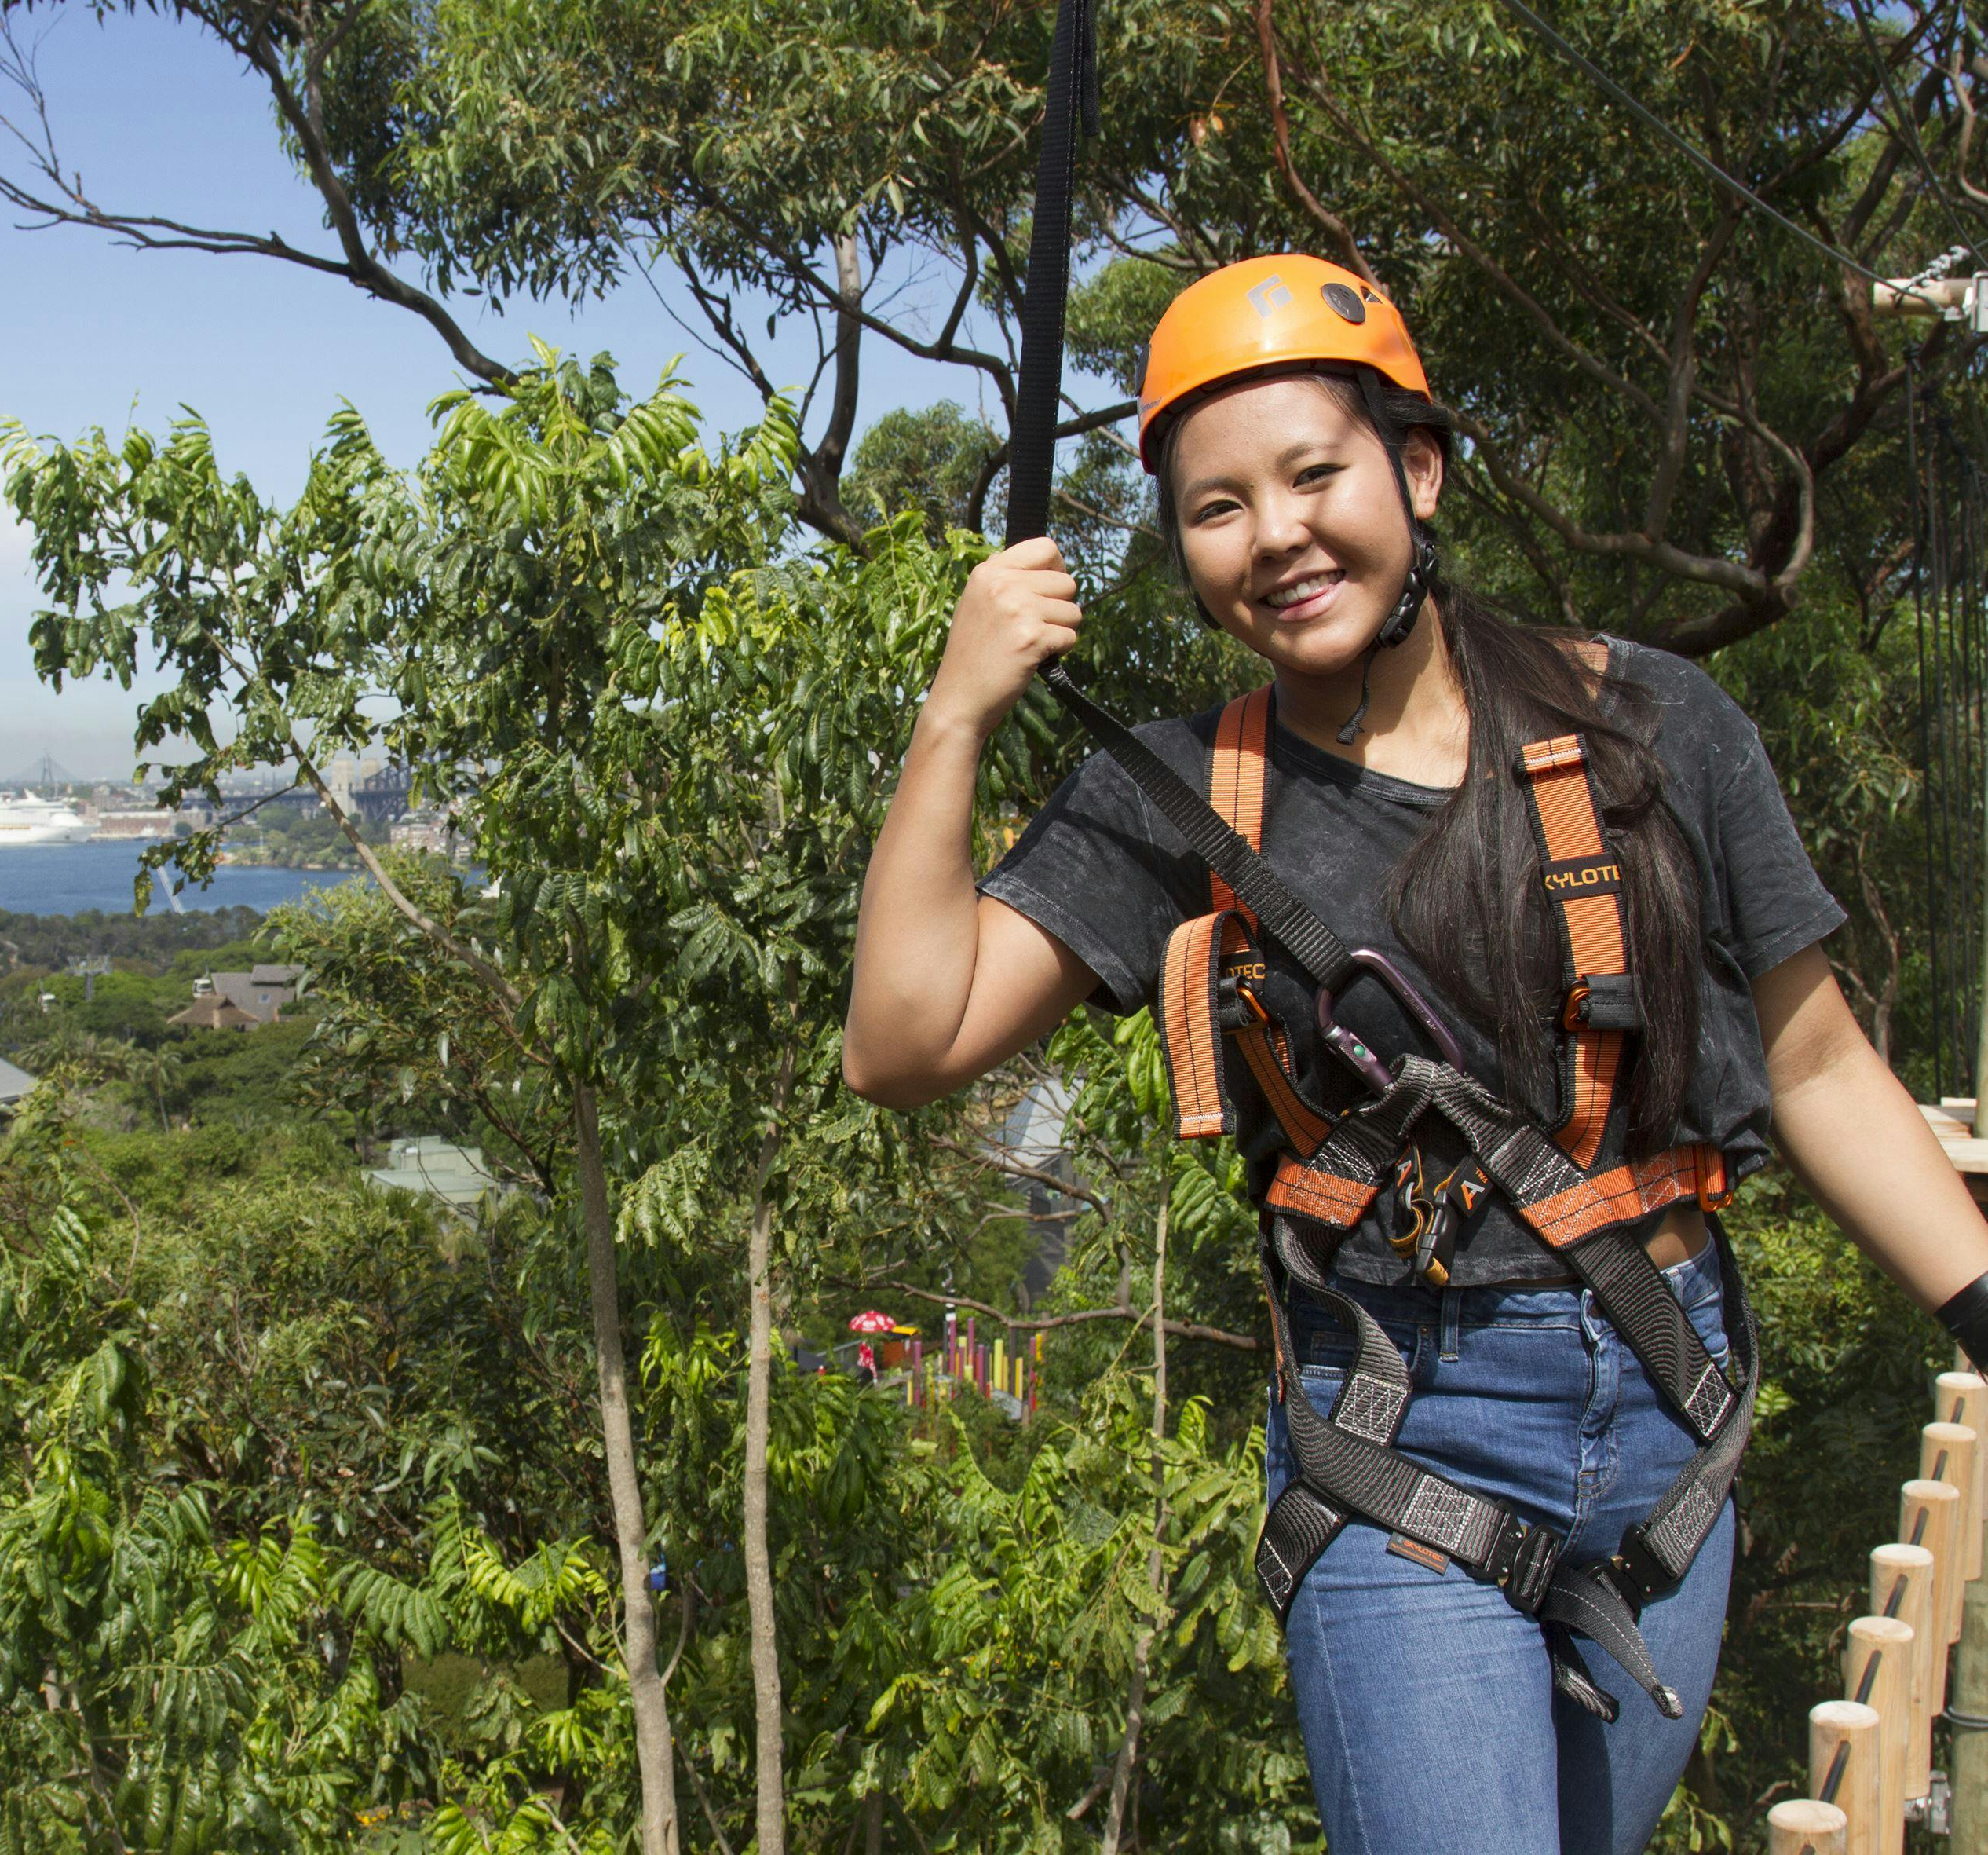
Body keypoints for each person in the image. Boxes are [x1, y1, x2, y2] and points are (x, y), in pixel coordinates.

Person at [842, 251, 1988, 1855]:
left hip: (1668, 1412)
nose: (1276, 535)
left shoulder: (1649, 725)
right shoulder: (1180, 792)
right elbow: (900, 1040)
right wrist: (954, 709)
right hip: (1403, 1438)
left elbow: (1812, 1068)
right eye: (1214, 506)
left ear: (1418, 466)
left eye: (1316, 472)